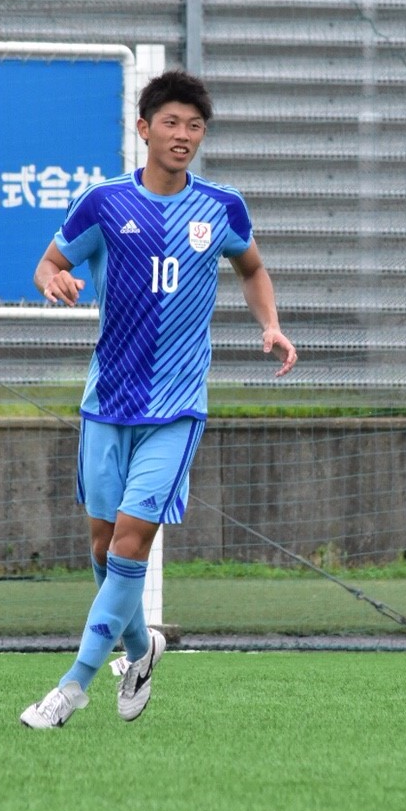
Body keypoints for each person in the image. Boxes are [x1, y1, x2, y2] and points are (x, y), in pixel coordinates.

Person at [21, 69, 297, 729]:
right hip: (105, 404)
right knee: (101, 546)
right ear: (144, 129)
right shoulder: (104, 202)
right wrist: (54, 281)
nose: (183, 135)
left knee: (131, 542)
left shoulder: (222, 207)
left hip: (176, 411)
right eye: (171, 122)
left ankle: (73, 686)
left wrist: (270, 324)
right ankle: (140, 650)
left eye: (194, 126)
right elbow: (49, 263)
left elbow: (252, 267)